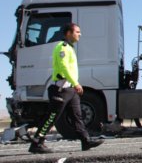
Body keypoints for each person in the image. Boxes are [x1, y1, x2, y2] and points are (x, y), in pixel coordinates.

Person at [29, 23, 104, 153]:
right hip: (61, 89)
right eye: (77, 32)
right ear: (68, 33)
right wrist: (75, 83)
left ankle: (85, 141)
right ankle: (37, 143)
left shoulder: (70, 48)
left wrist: (73, 85)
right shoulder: (62, 47)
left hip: (70, 89)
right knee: (52, 117)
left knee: (77, 116)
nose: (80, 34)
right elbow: (64, 67)